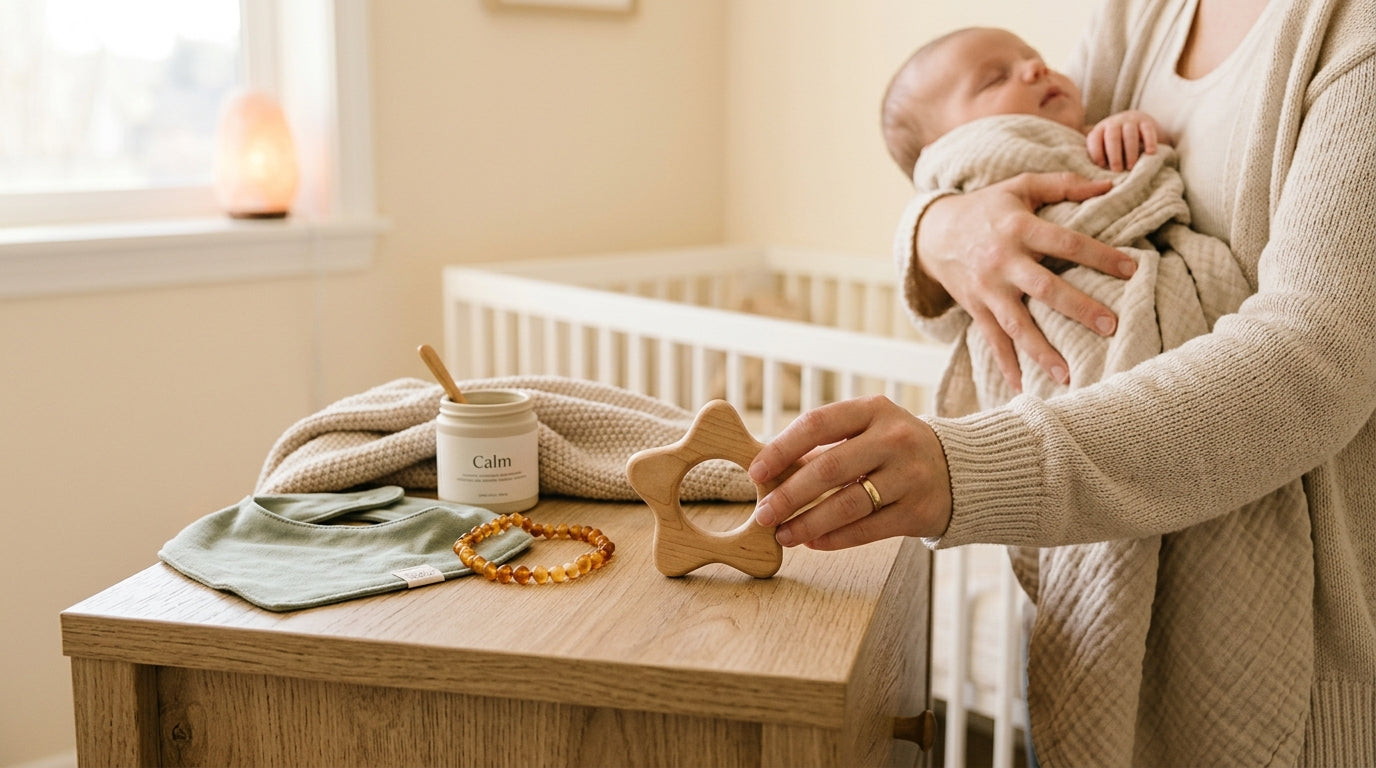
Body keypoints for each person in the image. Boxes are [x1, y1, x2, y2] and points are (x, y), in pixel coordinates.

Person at [749, 0, 1376, 765]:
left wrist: (967, 468)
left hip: (1320, 666)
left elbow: (1318, 362)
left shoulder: (1351, 35)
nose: (1036, 71)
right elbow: (1011, 187)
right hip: (1098, 562)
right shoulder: (1141, 13)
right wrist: (937, 227)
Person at [880, 26, 1169, 181]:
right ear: (945, 151)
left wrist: (1135, 129)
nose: (1035, 68)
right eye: (995, 79)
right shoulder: (968, 195)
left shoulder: (1096, 140)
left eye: (1035, 58)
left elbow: (1162, 165)